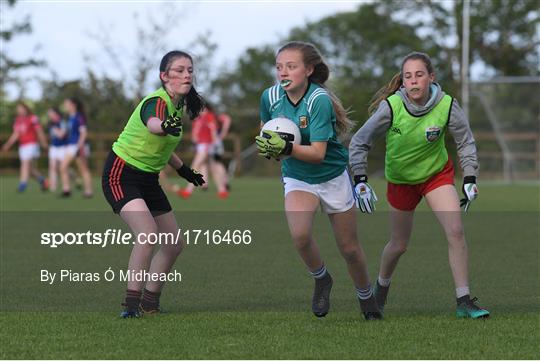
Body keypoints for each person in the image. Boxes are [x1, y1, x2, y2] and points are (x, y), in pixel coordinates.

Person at [348, 51, 489, 319]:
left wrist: (470, 176)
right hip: (401, 180)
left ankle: (463, 300)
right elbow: (359, 142)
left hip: (435, 175)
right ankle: (382, 287)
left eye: (419, 75)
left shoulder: (446, 104)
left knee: (456, 230)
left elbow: (465, 141)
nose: (413, 81)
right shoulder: (391, 106)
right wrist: (360, 179)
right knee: (399, 244)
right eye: (408, 76)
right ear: (403, 81)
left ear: (431, 78)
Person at [255, 41, 382, 320]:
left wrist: (285, 148)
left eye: (291, 66)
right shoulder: (270, 96)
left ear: (309, 69)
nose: (283, 73)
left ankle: (366, 297)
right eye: (279, 67)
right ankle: (322, 279)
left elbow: (317, 153)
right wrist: (269, 147)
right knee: (300, 236)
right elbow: (266, 128)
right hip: (298, 176)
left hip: (332, 175)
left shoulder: (318, 100)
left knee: (349, 248)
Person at [101, 50, 205, 318]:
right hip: (121, 174)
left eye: (190, 70)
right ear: (164, 76)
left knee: (174, 244)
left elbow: (163, 148)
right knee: (147, 234)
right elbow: (154, 125)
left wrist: (186, 172)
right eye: (179, 70)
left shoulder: (178, 106)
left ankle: (150, 303)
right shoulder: (156, 101)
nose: (186, 75)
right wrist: (164, 126)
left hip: (147, 179)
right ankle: (131, 306)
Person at [178, 103, 230, 199]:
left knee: (195, 166)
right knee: (212, 167)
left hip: (206, 145)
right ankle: (222, 190)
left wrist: (215, 143)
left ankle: (188, 190)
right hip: (202, 145)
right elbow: (195, 133)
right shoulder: (198, 118)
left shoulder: (209, 116)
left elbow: (213, 130)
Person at [1, 101, 48, 192]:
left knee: (25, 163)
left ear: (26, 108)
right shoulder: (17, 120)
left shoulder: (33, 118)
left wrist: (44, 143)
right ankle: (43, 180)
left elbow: (39, 131)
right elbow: (16, 134)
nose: (20, 110)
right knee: (30, 169)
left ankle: (22, 185)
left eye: (21, 108)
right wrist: (7, 145)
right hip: (23, 146)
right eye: (18, 108)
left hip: (32, 144)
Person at [60, 97, 93, 198]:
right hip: (71, 145)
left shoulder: (79, 116)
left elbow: (83, 133)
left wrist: (80, 146)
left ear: (73, 105)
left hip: (78, 146)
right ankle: (66, 190)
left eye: (67, 104)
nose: (65, 106)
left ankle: (89, 191)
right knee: (63, 167)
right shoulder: (70, 117)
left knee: (83, 169)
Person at [46, 107, 67, 192]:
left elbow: (62, 135)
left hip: (63, 147)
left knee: (63, 167)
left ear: (56, 113)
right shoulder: (50, 123)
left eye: (50, 113)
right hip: (53, 147)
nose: (49, 115)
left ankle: (74, 178)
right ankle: (53, 186)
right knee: (52, 166)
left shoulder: (62, 122)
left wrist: (55, 130)